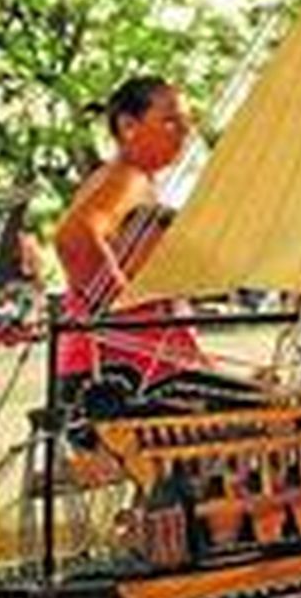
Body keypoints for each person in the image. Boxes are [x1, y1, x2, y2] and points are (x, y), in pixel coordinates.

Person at [54, 77, 206, 398]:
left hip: (122, 369)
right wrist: (128, 313)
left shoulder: (130, 180)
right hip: (118, 376)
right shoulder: (127, 180)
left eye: (186, 124)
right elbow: (75, 238)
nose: (184, 133)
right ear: (128, 126)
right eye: (170, 122)